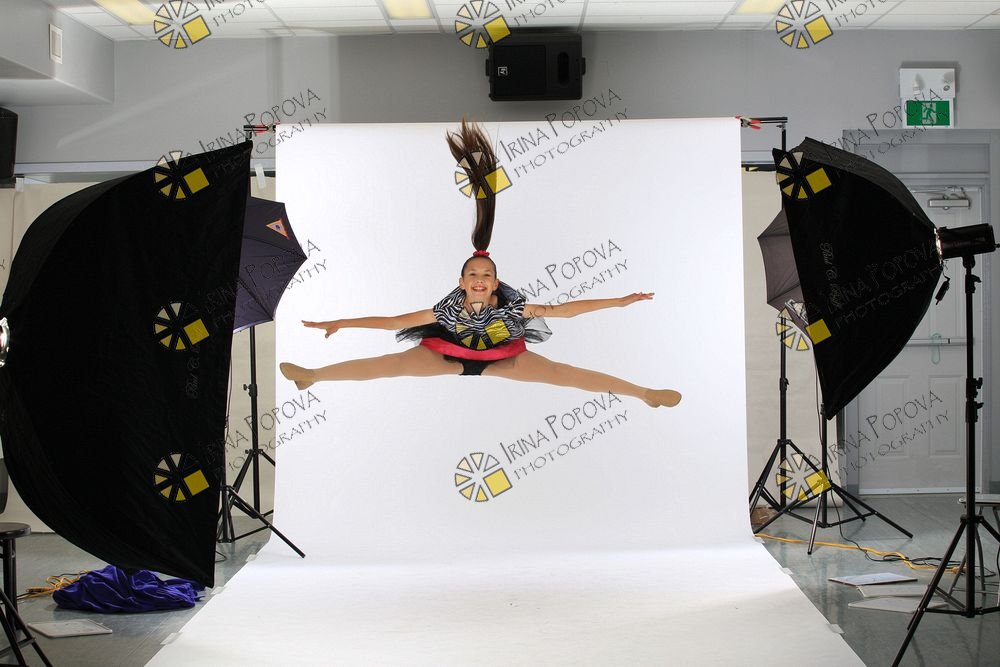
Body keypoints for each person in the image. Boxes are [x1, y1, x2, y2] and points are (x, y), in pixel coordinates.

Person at [279, 120, 681, 409]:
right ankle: (312, 375)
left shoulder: (513, 308)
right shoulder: (446, 310)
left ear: (495, 281)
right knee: (390, 365)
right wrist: (341, 323)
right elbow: (392, 322)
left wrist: (619, 302)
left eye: (485, 275)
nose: (479, 279)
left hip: (502, 359)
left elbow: (565, 311)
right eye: (472, 274)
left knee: (564, 374)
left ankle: (644, 394)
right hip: (447, 355)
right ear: (461, 281)